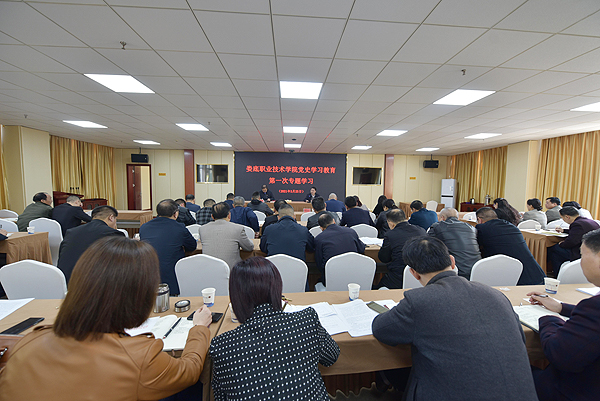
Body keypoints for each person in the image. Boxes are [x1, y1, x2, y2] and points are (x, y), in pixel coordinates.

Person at [0, 236, 213, 401]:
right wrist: (199, 328)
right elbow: (190, 371)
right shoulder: (140, 357)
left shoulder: (28, 342)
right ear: (140, 295)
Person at [371, 236, 538, 400]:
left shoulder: (419, 300)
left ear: (414, 273)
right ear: (452, 262)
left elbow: (381, 329)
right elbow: (520, 337)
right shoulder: (495, 294)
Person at [210, 257, 340, 401]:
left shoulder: (221, 346)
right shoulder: (306, 320)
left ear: (236, 297)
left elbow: (220, 396)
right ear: (277, 289)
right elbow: (331, 356)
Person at [528, 228, 600, 401]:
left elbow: (559, 354)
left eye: (582, 255)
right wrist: (561, 307)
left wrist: (549, 320)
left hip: (574, 391)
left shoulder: (594, 307)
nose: (580, 262)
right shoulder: (593, 308)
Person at [139, 199, 197, 295]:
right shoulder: (179, 228)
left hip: (147, 275)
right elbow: (192, 246)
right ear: (175, 214)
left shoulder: (144, 227)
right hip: (170, 277)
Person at [475, 207, 546, 285]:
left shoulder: (481, 228)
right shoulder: (512, 226)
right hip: (536, 275)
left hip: (512, 278)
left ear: (479, 220)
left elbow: (476, 247)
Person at [57, 205, 125, 283]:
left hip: (64, 281)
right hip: (91, 284)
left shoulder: (72, 232)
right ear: (111, 217)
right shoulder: (112, 233)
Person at [375, 209, 426, 289]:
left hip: (397, 278)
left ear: (391, 224)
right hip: (421, 278)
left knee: (377, 288)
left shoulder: (391, 235)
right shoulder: (421, 231)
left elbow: (384, 258)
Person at [428, 207, 481, 278]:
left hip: (455, 271)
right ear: (458, 218)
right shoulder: (471, 228)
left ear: (442, 218)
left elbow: (428, 245)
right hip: (477, 270)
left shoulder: (437, 226)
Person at [199, 202, 254, 269]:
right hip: (232, 271)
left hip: (209, 270)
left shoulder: (202, 229)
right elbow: (249, 247)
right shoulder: (238, 229)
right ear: (229, 215)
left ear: (212, 216)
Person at [314, 213, 365, 285]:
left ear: (321, 228)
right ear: (334, 221)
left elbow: (319, 263)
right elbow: (361, 249)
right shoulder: (351, 231)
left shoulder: (319, 239)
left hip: (331, 279)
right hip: (354, 276)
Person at [547, 206, 600, 275]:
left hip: (580, 252)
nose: (563, 220)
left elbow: (571, 242)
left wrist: (561, 244)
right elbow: (579, 232)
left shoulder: (576, 224)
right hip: (595, 251)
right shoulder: (589, 221)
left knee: (554, 249)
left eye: (562, 218)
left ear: (567, 217)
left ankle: (558, 274)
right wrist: (564, 230)